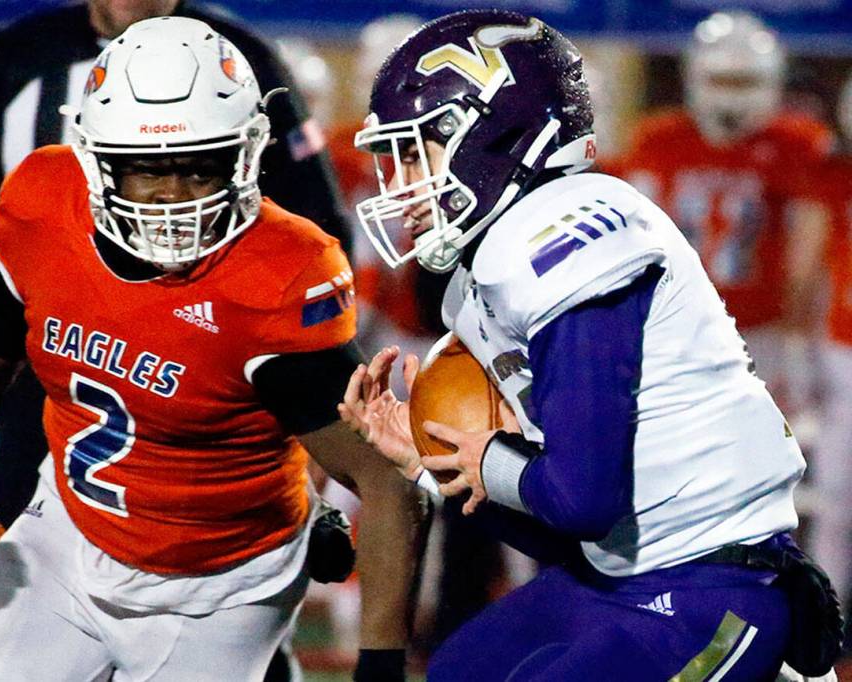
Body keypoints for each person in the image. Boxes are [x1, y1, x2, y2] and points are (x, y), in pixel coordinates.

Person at [338, 9, 842, 681]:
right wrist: (438, 459)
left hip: (714, 586)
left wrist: (490, 461)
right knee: (458, 669)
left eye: (416, 153)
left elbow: (583, 499)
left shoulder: (566, 235)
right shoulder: (477, 284)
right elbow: (562, 528)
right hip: (616, 575)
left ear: (495, 139)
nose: (399, 184)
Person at [0, 18, 421, 681]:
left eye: (199, 167)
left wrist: (380, 664)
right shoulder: (44, 207)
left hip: (219, 587)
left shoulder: (274, 274)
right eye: (146, 168)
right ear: (95, 160)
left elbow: (386, 479)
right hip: (65, 534)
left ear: (245, 157)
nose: (172, 197)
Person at [0, 0, 352, 531]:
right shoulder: (17, 54)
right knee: (21, 518)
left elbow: (313, 212)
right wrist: (39, 268)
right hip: (47, 337)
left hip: (202, 342)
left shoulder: (239, 57)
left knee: (196, 530)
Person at [611, 10, 833, 407]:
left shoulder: (797, 143)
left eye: (743, 81)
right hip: (676, 322)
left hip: (763, 327)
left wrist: (801, 329)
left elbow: (810, 249)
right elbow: (632, 237)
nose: (732, 94)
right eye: (722, 80)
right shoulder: (659, 139)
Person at [793, 70, 852, 616]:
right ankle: (828, 616)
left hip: (839, 348)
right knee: (835, 500)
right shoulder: (835, 175)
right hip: (843, 350)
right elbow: (807, 269)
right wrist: (800, 347)